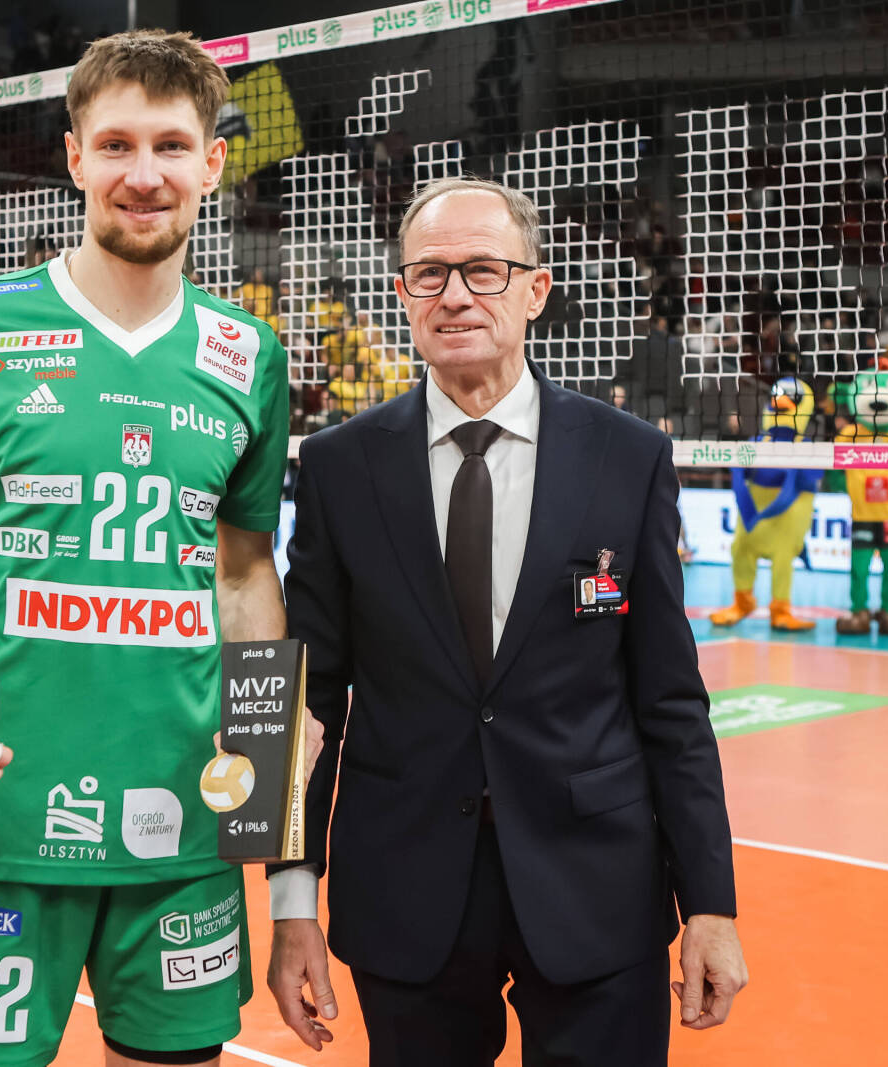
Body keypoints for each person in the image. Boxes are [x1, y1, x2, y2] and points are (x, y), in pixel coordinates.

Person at [0, 30, 306, 1067]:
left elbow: (246, 577)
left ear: (212, 162)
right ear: (74, 158)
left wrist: (272, 830)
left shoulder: (250, 355)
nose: (144, 175)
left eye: (171, 146)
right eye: (115, 145)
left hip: (185, 829)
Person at [268, 177, 747, 1066]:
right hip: (405, 887)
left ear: (535, 289)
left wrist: (710, 903)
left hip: (598, 888)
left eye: (484, 270)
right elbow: (307, 697)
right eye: (430, 274)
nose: (455, 295)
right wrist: (290, 900)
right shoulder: (337, 467)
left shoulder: (629, 456)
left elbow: (672, 701)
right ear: (402, 293)